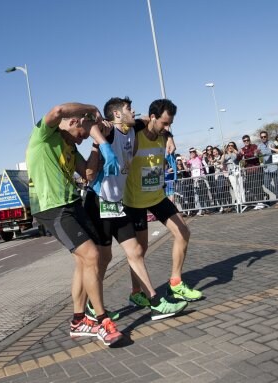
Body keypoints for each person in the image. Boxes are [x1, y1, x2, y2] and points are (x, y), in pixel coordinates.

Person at [25, 101, 122, 346]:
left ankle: (78, 321)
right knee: (90, 255)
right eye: (83, 133)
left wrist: (97, 145)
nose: (81, 139)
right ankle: (101, 320)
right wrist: (92, 108)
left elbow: (88, 174)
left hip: (71, 203)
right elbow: (58, 110)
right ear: (75, 121)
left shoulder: (71, 147)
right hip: (51, 207)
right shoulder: (44, 135)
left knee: (88, 258)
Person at [83, 96, 187, 322]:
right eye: (129, 109)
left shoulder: (133, 126)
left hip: (116, 203)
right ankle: (91, 307)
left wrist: (168, 135)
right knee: (103, 258)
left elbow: (153, 121)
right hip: (99, 201)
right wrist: (101, 142)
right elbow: (90, 126)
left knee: (136, 251)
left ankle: (155, 302)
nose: (134, 111)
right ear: (118, 114)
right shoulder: (109, 130)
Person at [123, 99, 202, 304]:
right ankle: (136, 292)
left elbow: (164, 130)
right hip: (135, 201)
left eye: (170, 124)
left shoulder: (163, 136)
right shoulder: (135, 136)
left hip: (157, 197)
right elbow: (132, 124)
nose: (167, 127)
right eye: (164, 123)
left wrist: (168, 134)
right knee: (139, 250)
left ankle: (175, 283)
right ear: (152, 118)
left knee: (183, 231)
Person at [258, 131, 278, 207]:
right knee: (266, 184)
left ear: (267, 136)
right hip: (266, 168)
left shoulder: (272, 143)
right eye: (262, 137)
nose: (263, 138)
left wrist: (271, 148)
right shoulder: (259, 145)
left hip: (274, 166)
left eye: (264, 136)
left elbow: (274, 149)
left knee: (277, 185)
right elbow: (256, 154)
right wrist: (256, 153)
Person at [239, 134, 265, 208]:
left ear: (249, 140)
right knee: (252, 187)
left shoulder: (254, 146)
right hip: (248, 170)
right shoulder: (242, 149)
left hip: (256, 168)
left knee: (257, 186)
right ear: (243, 141)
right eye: (244, 141)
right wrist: (240, 154)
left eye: (247, 140)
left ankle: (261, 202)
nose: (246, 141)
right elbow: (239, 157)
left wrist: (245, 154)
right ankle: (259, 202)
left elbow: (254, 155)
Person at [222, 141, 244, 207]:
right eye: (229, 146)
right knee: (235, 187)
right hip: (231, 173)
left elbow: (237, 157)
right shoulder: (226, 155)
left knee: (241, 187)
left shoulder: (236, 153)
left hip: (238, 172)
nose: (230, 147)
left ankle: (243, 201)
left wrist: (233, 150)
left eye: (232, 145)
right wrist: (224, 151)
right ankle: (239, 202)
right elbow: (222, 161)